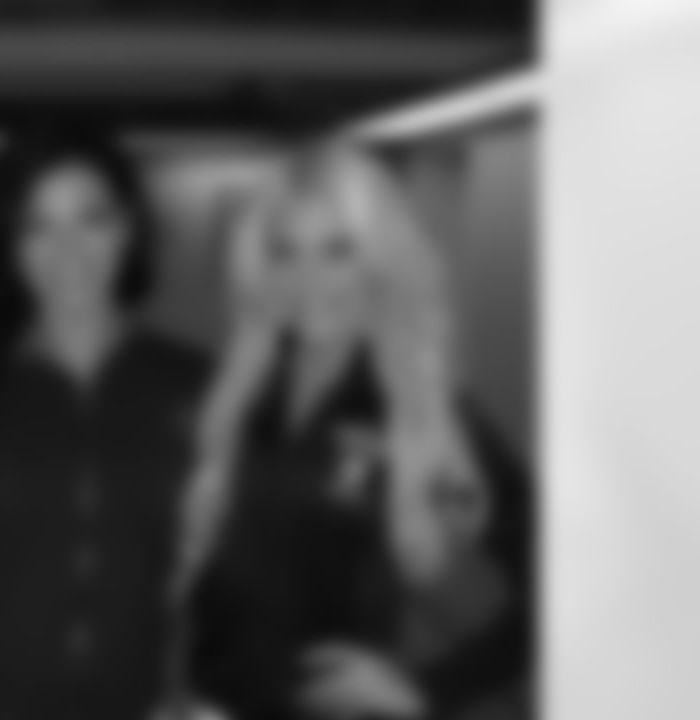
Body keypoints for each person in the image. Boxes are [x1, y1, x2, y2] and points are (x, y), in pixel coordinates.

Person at [182, 146, 534, 720]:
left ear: (380, 260)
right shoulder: (240, 393)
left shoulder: (424, 410)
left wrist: (427, 689)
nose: (308, 279)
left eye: (338, 250)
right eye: (285, 251)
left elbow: (565, 582)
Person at [0, 126, 212, 720]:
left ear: (128, 228)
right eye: (38, 226)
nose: (69, 251)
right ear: (9, 244)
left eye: (92, 220)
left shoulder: (197, 385)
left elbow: (231, 573)